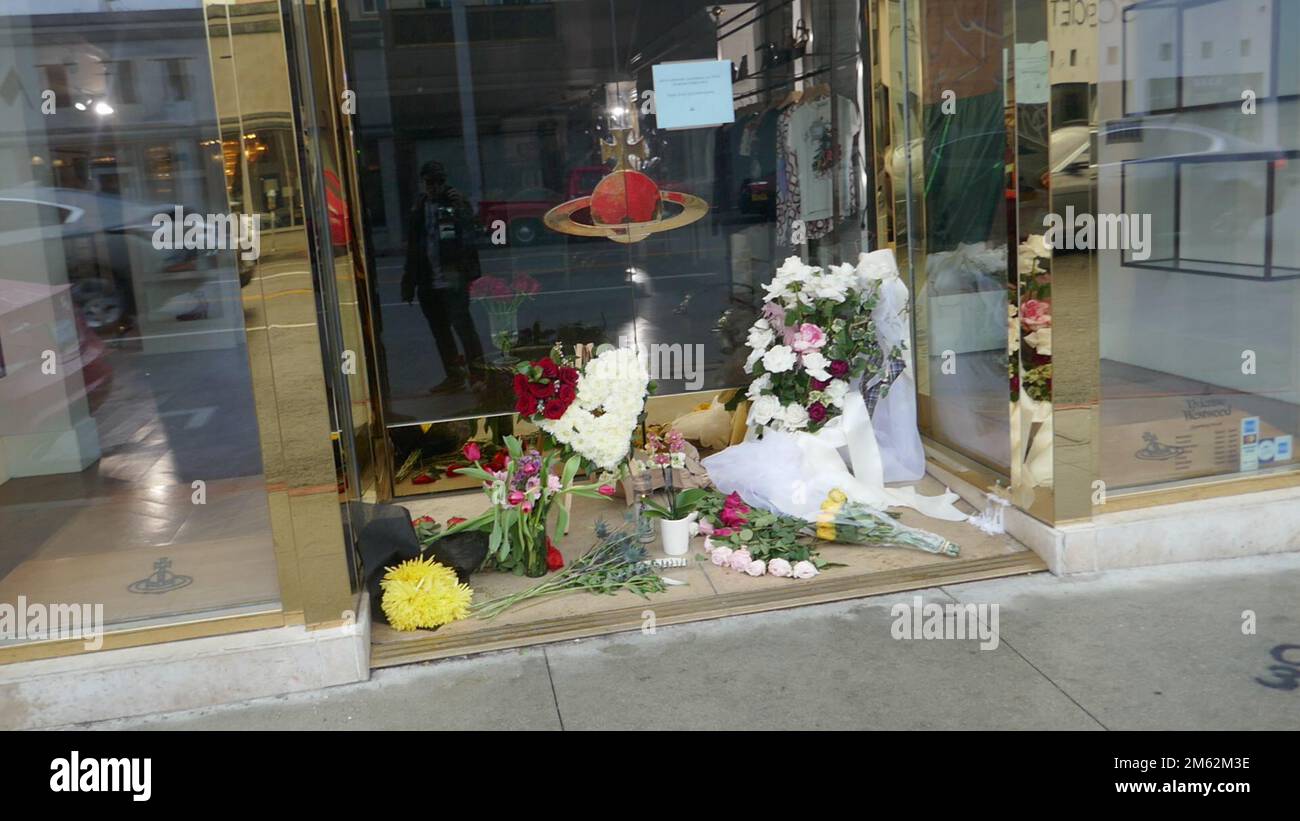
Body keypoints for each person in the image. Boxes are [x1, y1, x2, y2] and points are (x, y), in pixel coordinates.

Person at [400, 160, 483, 393]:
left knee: (464, 328)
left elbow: (471, 235)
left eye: (439, 182)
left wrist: (461, 209)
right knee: (441, 333)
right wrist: (409, 282)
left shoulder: (455, 202)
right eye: (430, 182)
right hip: (429, 281)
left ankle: (479, 376)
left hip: (453, 279)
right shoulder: (420, 207)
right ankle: (455, 376)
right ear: (423, 183)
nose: (434, 187)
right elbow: (413, 248)